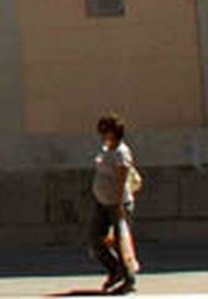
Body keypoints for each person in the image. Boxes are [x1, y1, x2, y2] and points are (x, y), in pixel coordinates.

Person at [90, 112, 139, 294]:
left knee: (121, 242)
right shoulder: (106, 149)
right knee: (95, 239)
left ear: (113, 132)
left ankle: (129, 279)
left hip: (117, 203)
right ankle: (114, 270)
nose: (101, 135)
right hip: (102, 201)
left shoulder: (121, 152)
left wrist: (118, 206)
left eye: (104, 131)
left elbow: (121, 178)